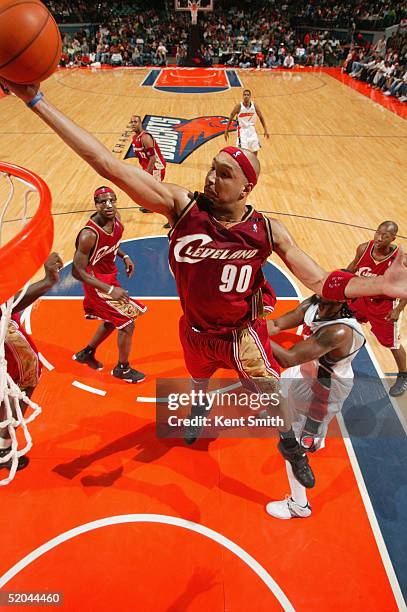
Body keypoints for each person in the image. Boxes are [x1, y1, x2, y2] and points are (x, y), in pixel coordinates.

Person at [4, 79, 407, 490]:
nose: (211, 178)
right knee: (198, 382)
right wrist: (35, 99)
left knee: (271, 393)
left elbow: (322, 280)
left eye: (224, 174)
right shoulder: (182, 207)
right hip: (196, 331)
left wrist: (384, 285)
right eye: (211, 169)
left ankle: (290, 444)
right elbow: (109, 164)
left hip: (240, 333)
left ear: (246, 187)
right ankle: (199, 410)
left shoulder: (268, 230)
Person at [264, 296, 365, 519]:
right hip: (304, 371)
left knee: (293, 447)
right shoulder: (317, 303)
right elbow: (277, 324)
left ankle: (299, 505)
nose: (323, 295)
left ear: (343, 301)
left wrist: (247, 331)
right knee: (278, 394)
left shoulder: (340, 331)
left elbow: (288, 358)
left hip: (322, 391)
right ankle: (302, 430)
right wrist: (251, 322)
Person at [72, 186, 146, 383]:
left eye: (112, 200)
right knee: (127, 323)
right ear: (95, 205)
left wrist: (124, 255)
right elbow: (77, 271)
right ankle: (122, 368)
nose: (109, 205)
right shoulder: (88, 235)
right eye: (103, 202)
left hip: (109, 277)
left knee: (113, 320)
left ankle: (86, 353)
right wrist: (110, 289)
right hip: (95, 283)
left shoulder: (116, 218)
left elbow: (112, 244)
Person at [1, 253, 63, 471]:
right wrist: (48, 281)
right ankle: (3, 448)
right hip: (3, 331)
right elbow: (5, 305)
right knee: (26, 380)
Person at [346, 221, 407, 396]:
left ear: (393, 238)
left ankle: (404, 375)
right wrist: (340, 286)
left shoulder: (400, 260)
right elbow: (353, 266)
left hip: (385, 304)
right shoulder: (364, 248)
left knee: (391, 343)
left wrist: (398, 309)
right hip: (363, 296)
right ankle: (338, 360)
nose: (379, 238)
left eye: (385, 236)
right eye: (378, 233)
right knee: (344, 322)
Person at [130, 114, 169, 227]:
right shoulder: (135, 138)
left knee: (159, 193)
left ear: (141, 123)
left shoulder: (145, 137)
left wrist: (147, 173)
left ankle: (172, 217)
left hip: (156, 167)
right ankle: (150, 207)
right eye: (131, 122)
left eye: (135, 122)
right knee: (148, 190)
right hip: (148, 167)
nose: (133, 124)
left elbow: (153, 158)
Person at [224, 89, 269, 155]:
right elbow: (231, 117)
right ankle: (243, 164)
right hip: (242, 130)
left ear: (250, 96)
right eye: (245, 95)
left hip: (252, 129)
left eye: (248, 95)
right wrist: (226, 130)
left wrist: (265, 130)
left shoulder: (254, 106)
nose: (246, 96)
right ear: (243, 96)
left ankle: (253, 164)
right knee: (242, 151)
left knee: (255, 149)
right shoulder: (239, 106)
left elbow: (261, 117)